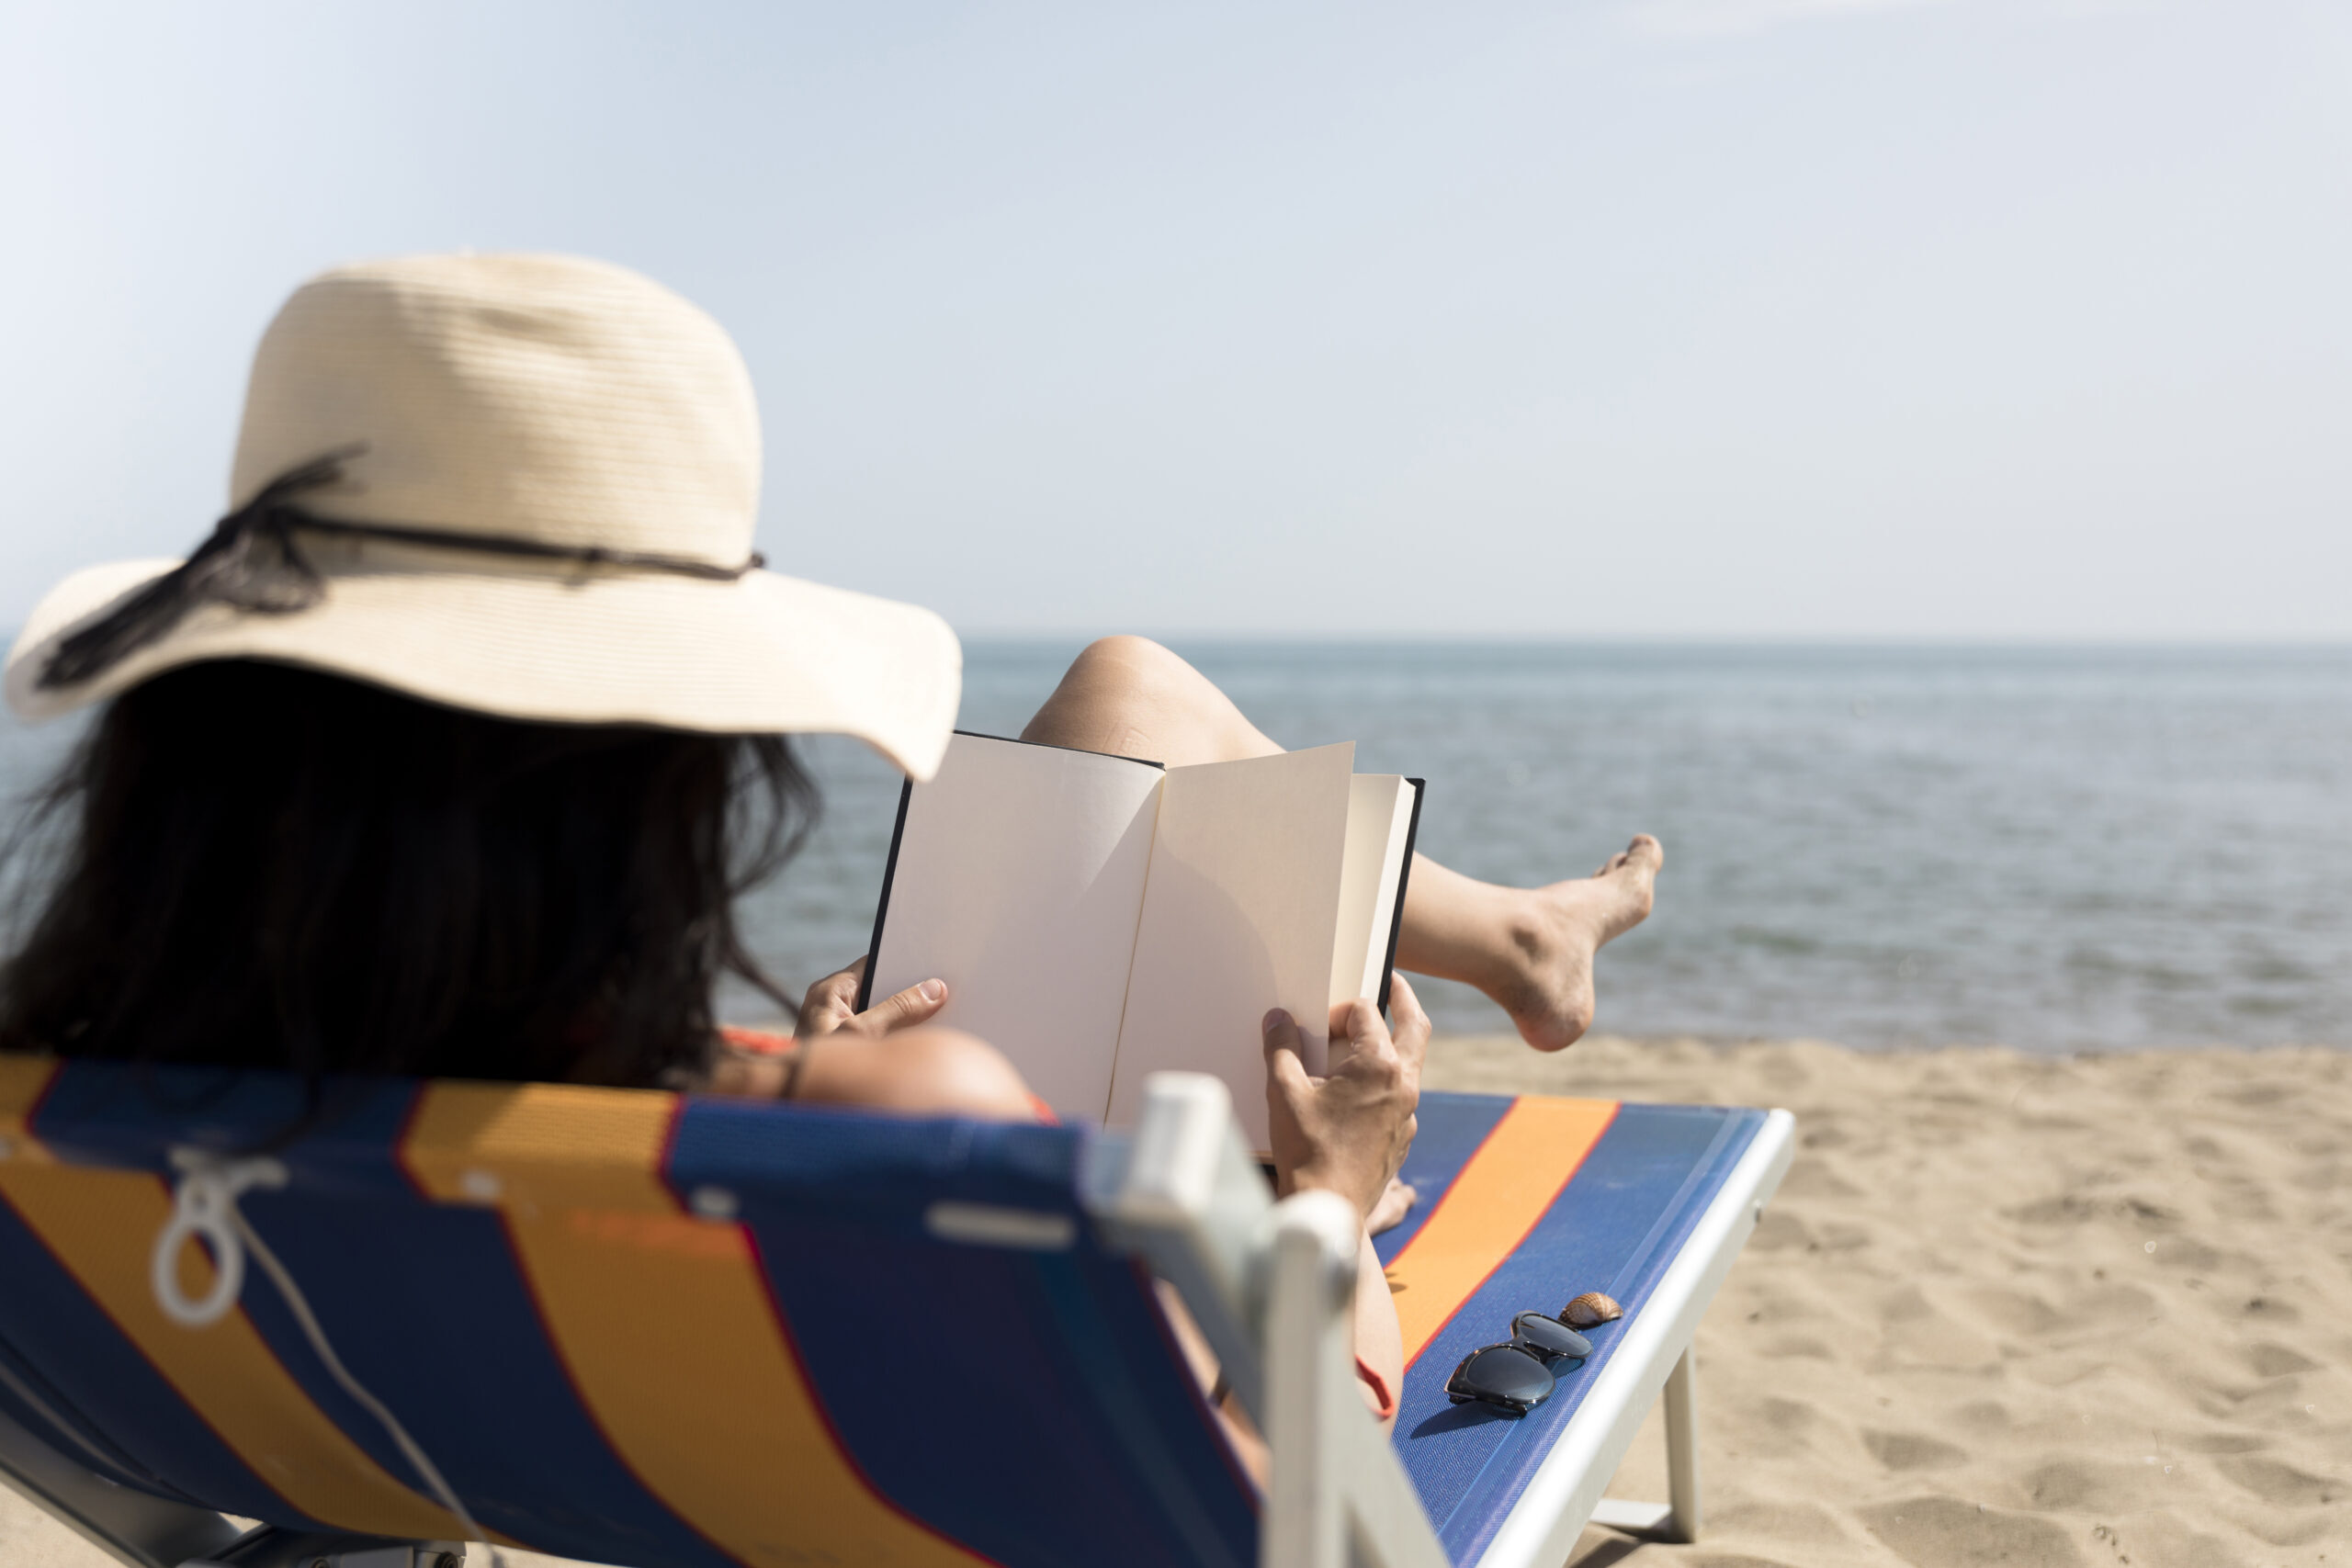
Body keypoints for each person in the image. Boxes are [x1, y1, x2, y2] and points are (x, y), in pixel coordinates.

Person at [0, 254, 1657, 1436]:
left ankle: (1519, 939)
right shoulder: (888, 1128)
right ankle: (1517, 948)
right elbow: (1263, 1501)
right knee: (1138, 712)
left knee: (1124, 694)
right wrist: (1331, 1205)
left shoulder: (77, 1107)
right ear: (656, 767)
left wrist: (808, 1092)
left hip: (500, 1419)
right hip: (1175, 1400)